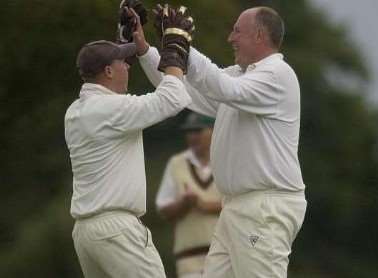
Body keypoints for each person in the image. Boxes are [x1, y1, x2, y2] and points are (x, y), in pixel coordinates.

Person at [137, 5, 307, 278]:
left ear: (260, 36)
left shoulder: (277, 75)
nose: (230, 38)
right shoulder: (241, 76)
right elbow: (182, 89)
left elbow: (221, 86)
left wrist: (183, 45)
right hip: (236, 207)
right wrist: (147, 50)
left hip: (264, 207)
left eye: (237, 31)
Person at [64, 13, 191, 278]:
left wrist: (128, 41)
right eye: (123, 62)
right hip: (116, 230)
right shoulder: (111, 109)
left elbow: (111, 82)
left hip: (86, 233)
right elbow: (174, 98)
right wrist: (174, 48)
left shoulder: (77, 110)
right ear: (108, 71)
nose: (129, 67)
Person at [156, 112, 221, 278]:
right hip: (189, 260)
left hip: (225, 255)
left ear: (214, 130)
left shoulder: (226, 162)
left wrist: (203, 205)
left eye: (198, 130)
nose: (192, 136)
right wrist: (184, 203)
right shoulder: (176, 163)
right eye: (189, 131)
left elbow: (239, 204)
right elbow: (163, 209)